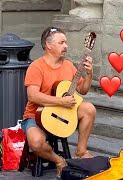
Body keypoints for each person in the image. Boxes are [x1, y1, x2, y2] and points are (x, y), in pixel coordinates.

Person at [22, 27, 96, 177]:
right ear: (49, 46)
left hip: (62, 114)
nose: (66, 46)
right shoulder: (36, 66)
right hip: (35, 116)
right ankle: (59, 161)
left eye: (66, 42)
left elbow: (83, 90)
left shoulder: (68, 65)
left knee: (89, 108)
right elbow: (33, 96)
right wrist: (61, 101)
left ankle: (81, 151)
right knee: (36, 143)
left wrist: (89, 74)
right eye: (61, 42)